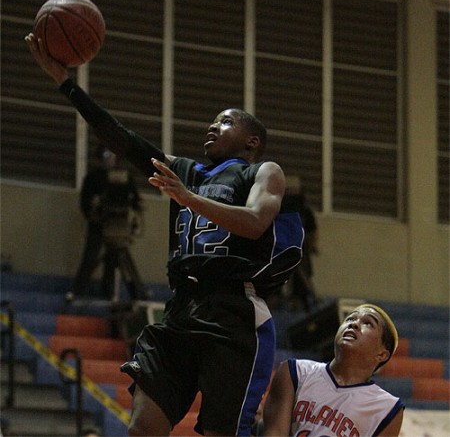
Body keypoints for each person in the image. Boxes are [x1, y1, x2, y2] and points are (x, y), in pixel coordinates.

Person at [25, 33, 304, 437]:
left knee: (220, 433)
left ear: (252, 141)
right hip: (180, 309)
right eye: (212, 121)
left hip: (233, 311)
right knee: (142, 428)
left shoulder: (261, 172)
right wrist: (66, 83)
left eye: (225, 121)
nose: (212, 126)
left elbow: (256, 221)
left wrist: (189, 198)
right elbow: (123, 139)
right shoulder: (186, 171)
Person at [263, 303, 405, 437]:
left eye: (368, 323)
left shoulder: (388, 408)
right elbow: (274, 433)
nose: (354, 324)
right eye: (349, 318)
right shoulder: (295, 372)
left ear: (382, 354)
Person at [66, 145, 143, 302]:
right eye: (107, 154)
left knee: (113, 260)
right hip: (98, 225)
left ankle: (108, 292)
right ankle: (78, 290)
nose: (110, 158)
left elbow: (135, 199)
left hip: (118, 225)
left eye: (113, 155)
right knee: (90, 257)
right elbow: (85, 203)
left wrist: (136, 207)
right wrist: (93, 213)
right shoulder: (93, 177)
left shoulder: (124, 177)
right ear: (100, 157)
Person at [284, 184, 319, 312]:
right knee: (292, 274)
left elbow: (312, 231)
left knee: (303, 273)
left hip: (300, 247)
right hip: (289, 247)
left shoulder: (304, 211)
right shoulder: (286, 209)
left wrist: (313, 245)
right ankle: (297, 300)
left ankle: (311, 298)